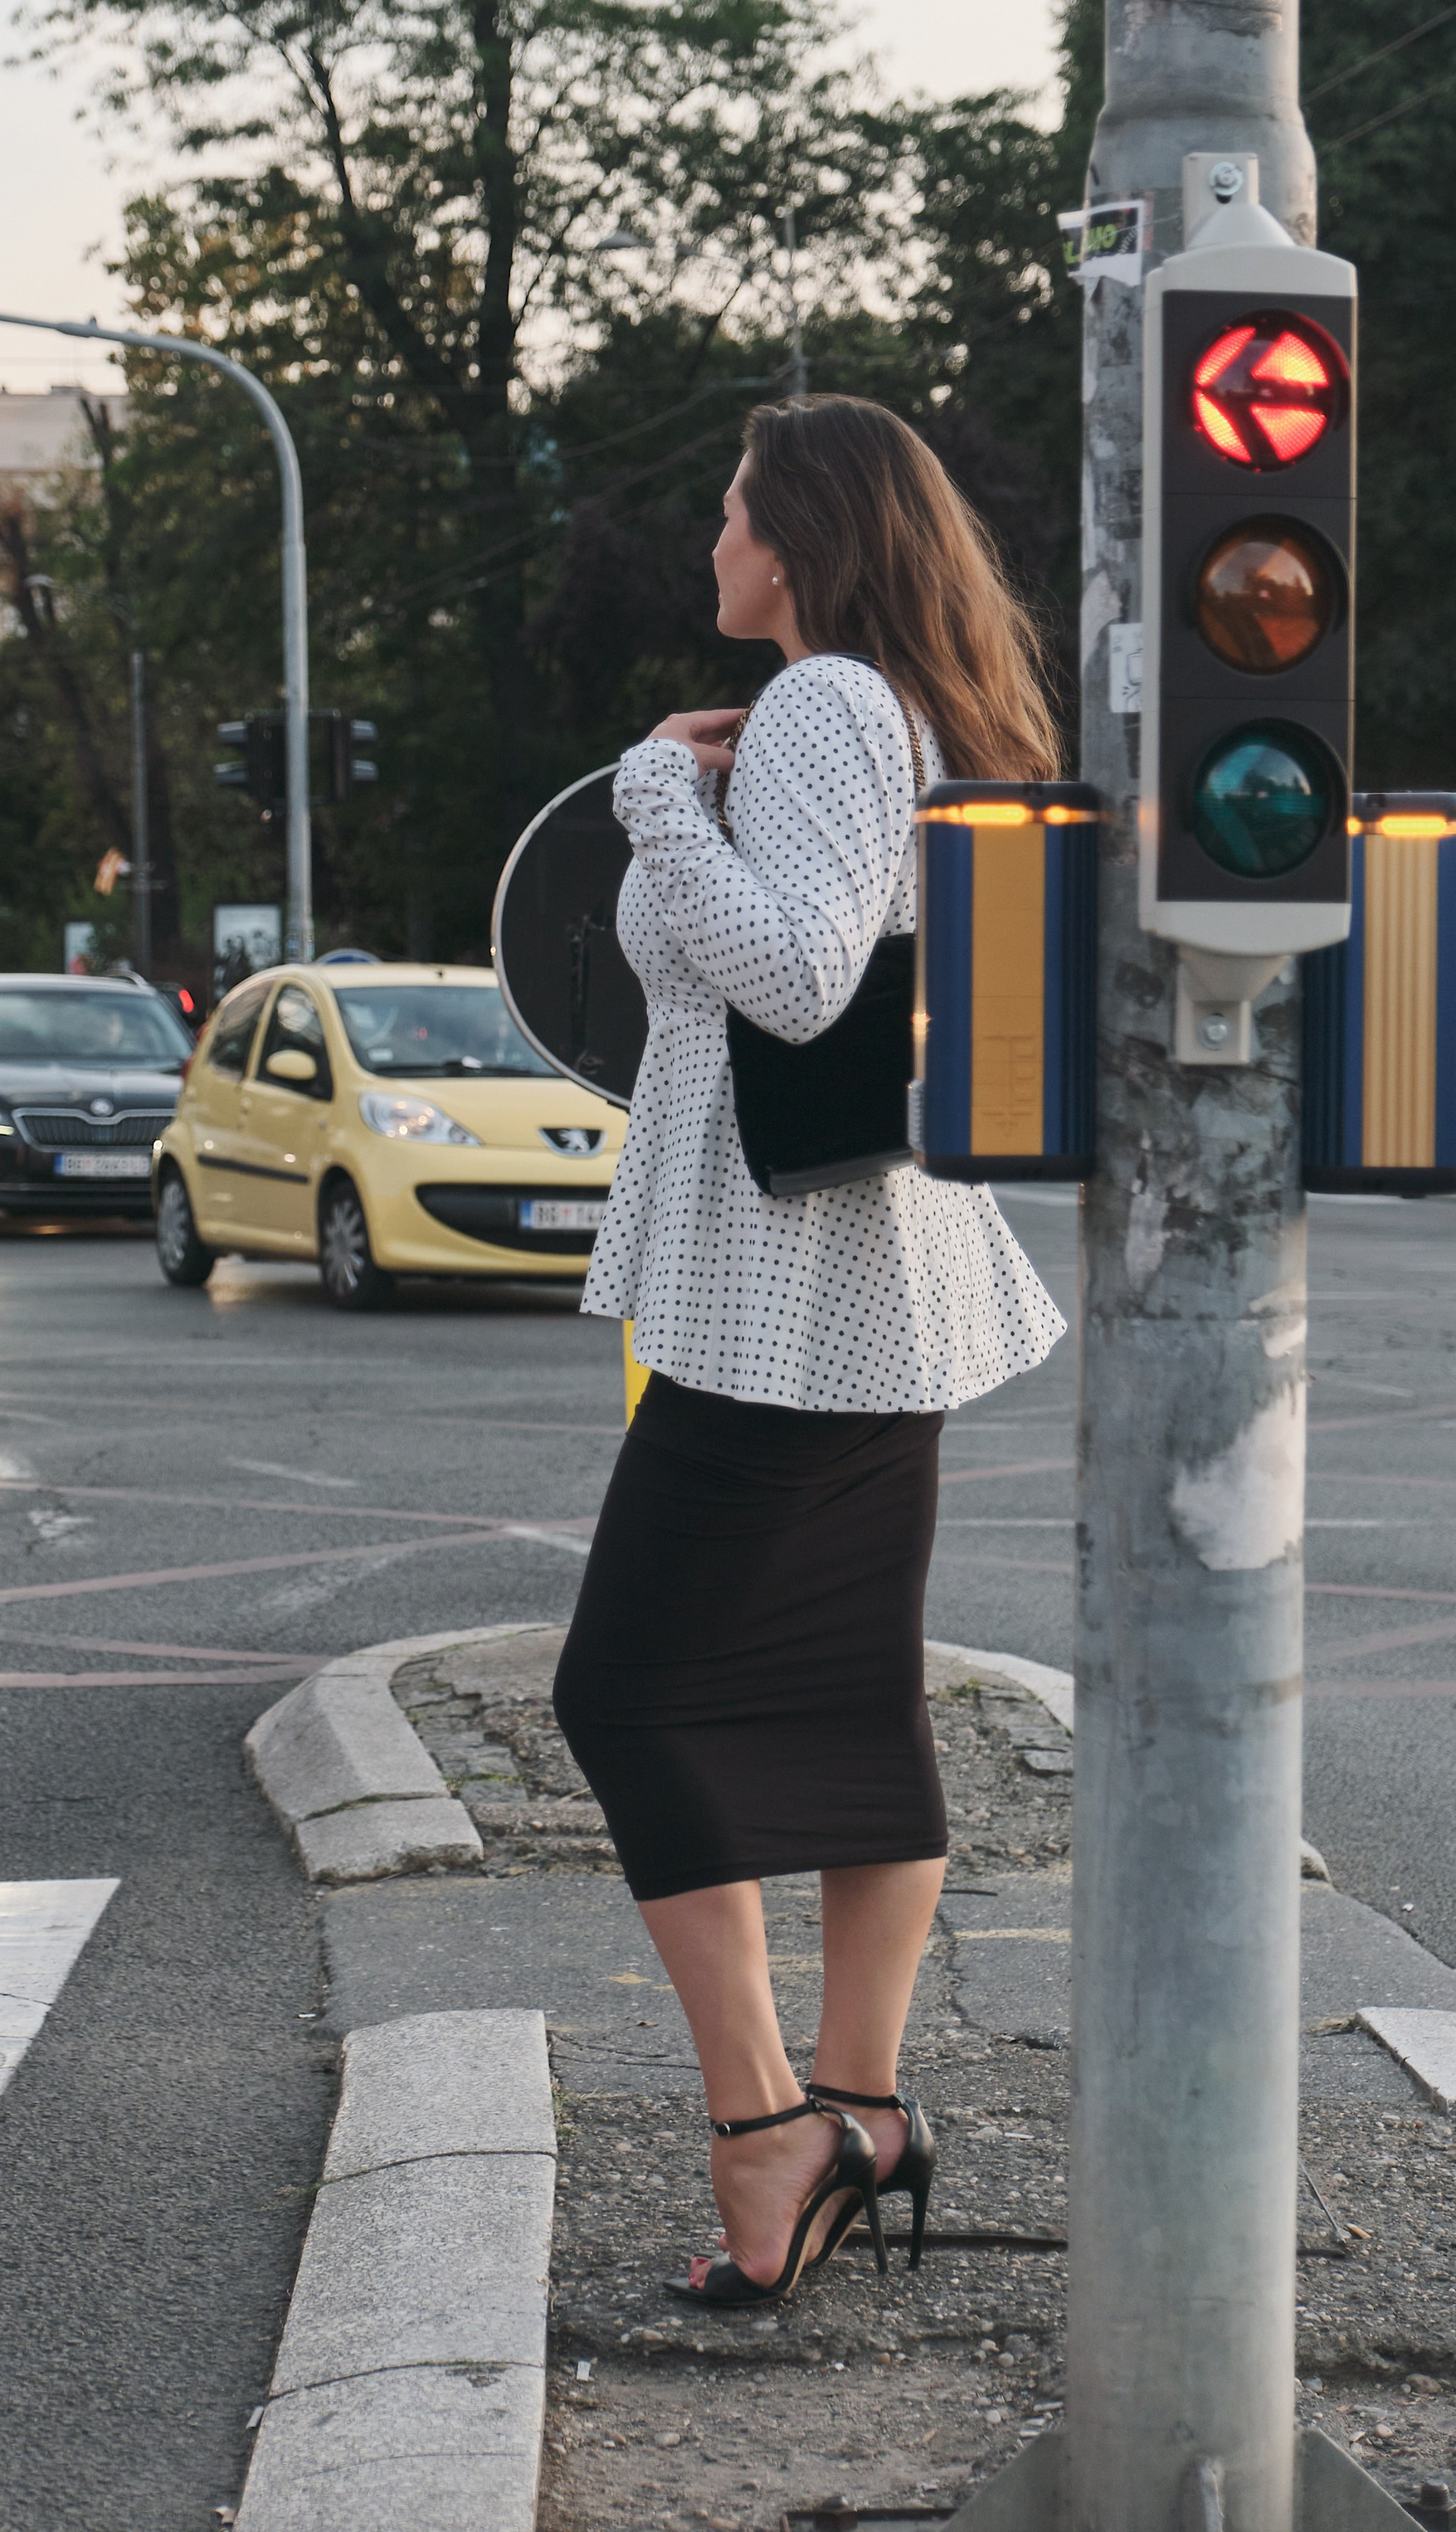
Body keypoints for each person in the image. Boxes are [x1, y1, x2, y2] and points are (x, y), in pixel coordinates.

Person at [554, 392, 1067, 2302]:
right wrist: (685, 807)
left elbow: (790, 975)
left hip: (793, 1301)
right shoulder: (853, 712)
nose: (709, 540)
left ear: (798, 537)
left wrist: (650, 797)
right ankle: (856, 2110)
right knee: (850, 1705)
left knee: (622, 1696)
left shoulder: (832, 705)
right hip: (845, 1290)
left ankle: (766, 2127)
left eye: (728, 510)